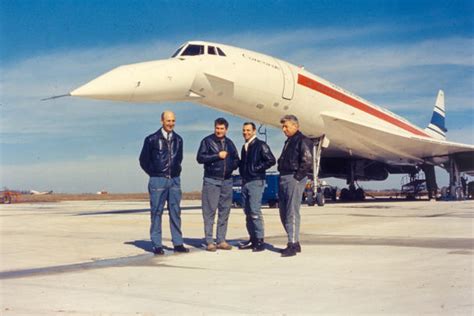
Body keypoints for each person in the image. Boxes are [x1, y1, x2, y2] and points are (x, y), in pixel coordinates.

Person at [139, 111, 189, 255]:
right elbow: (143, 160)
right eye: (168, 121)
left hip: (174, 180)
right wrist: (155, 173)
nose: (171, 123)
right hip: (157, 180)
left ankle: (178, 243)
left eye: (173, 121)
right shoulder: (151, 139)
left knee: (175, 211)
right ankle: (157, 244)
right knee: (156, 212)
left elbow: (179, 159)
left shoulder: (178, 139)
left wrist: (175, 173)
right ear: (162, 121)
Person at [197, 118, 240, 251]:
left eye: (222, 128)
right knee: (209, 211)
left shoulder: (230, 143)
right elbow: (200, 158)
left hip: (227, 181)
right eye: (217, 128)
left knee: (224, 211)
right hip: (212, 180)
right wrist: (217, 156)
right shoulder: (207, 141)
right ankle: (210, 241)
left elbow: (236, 159)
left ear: (226, 129)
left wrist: (231, 167)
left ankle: (221, 240)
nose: (219, 131)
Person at [277, 115, 313, 257]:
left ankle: (291, 244)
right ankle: (295, 241)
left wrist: (297, 177)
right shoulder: (289, 141)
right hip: (284, 176)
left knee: (292, 211)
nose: (284, 129)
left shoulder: (303, 140)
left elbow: (307, 160)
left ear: (295, 126)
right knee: (283, 212)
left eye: (286, 126)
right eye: (283, 127)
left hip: (293, 177)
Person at [238, 122, 276, 252]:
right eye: (244, 130)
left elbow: (271, 160)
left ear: (254, 131)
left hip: (256, 181)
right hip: (245, 181)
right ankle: (252, 238)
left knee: (254, 211)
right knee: (247, 212)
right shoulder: (245, 147)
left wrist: (256, 169)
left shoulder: (260, 145)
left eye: (248, 130)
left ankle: (260, 240)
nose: (245, 133)